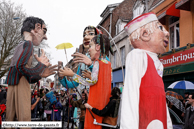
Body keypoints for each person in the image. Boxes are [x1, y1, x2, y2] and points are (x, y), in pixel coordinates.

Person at [120, 12, 172, 129]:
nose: (167, 33)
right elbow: (130, 98)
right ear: (145, 34)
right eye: (160, 28)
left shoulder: (158, 64)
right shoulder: (138, 55)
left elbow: (162, 104)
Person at [5, 17, 57, 122]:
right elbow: (21, 68)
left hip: (12, 84)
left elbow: (22, 72)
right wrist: (40, 66)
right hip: (20, 85)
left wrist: (39, 75)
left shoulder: (19, 46)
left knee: (9, 120)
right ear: (37, 27)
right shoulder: (28, 45)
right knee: (24, 120)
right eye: (44, 31)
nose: (45, 37)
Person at [59, 34, 113, 129]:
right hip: (101, 108)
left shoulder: (97, 62)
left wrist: (72, 75)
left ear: (97, 47)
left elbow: (89, 82)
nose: (89, 49)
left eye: (91, 46)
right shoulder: (107, 63)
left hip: (94, 108)